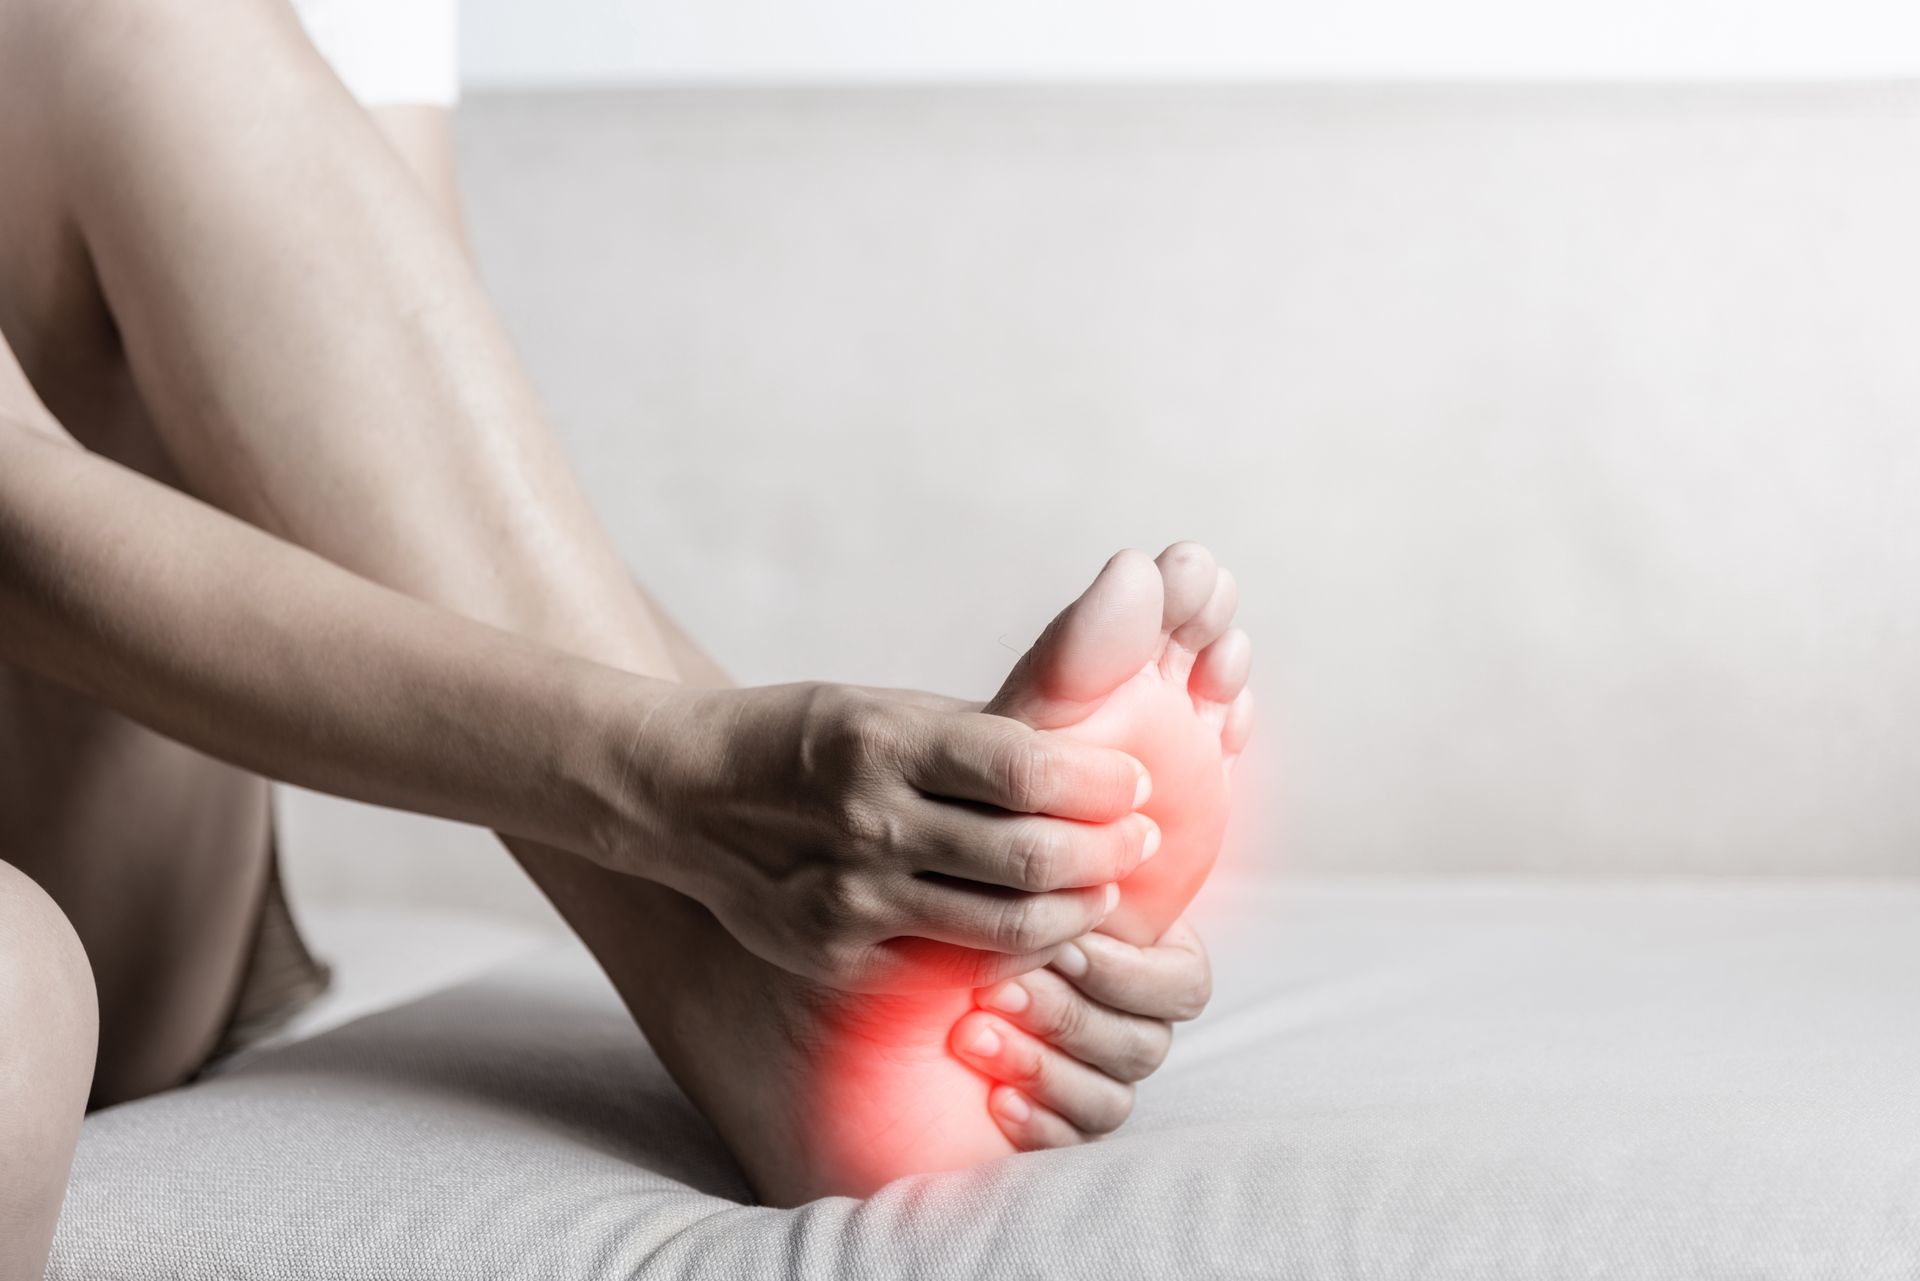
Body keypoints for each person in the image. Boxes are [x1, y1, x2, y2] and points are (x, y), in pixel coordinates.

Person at [0, 0, 1252, 1270]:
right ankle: (733, 958)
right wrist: (689, 781)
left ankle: (726, 977)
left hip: (118, 881)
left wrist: (816, 808)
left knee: (144, 28)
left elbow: (415, 499)